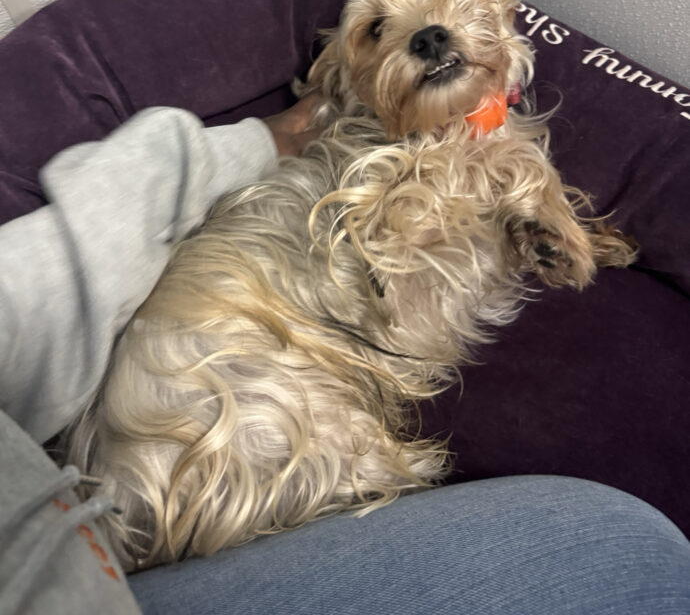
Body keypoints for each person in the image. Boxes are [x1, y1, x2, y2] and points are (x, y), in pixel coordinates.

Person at [1, 100, 688, 615]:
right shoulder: (381, 172)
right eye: (379, 27)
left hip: (92, 522)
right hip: (205, 442)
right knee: (631, 550)